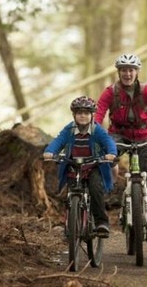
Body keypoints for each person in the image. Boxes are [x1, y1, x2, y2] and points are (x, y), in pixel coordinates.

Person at [95, 53, 147, 243]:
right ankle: (111, 188)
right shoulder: (110, 92)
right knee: (108, 158)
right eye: (124, 70)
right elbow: (98, 114)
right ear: (119, 72)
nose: (127, 74)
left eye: (131, 70)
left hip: (144, 137)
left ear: (137, 72)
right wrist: (95, 135)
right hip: (117, 134)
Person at [43, 96, 117, 238]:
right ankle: (70, 225)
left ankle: (101, 222)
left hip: (93, 165)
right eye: (79, 113)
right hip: (74, 165)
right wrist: (50, 151)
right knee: (70, 193)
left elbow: (108, 141)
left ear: (92, 115)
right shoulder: (69, 129)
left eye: (86, 113)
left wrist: (111, 153)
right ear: (74, 115)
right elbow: (58, 140)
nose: (83, 116)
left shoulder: (97, 130)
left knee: (95, 188)